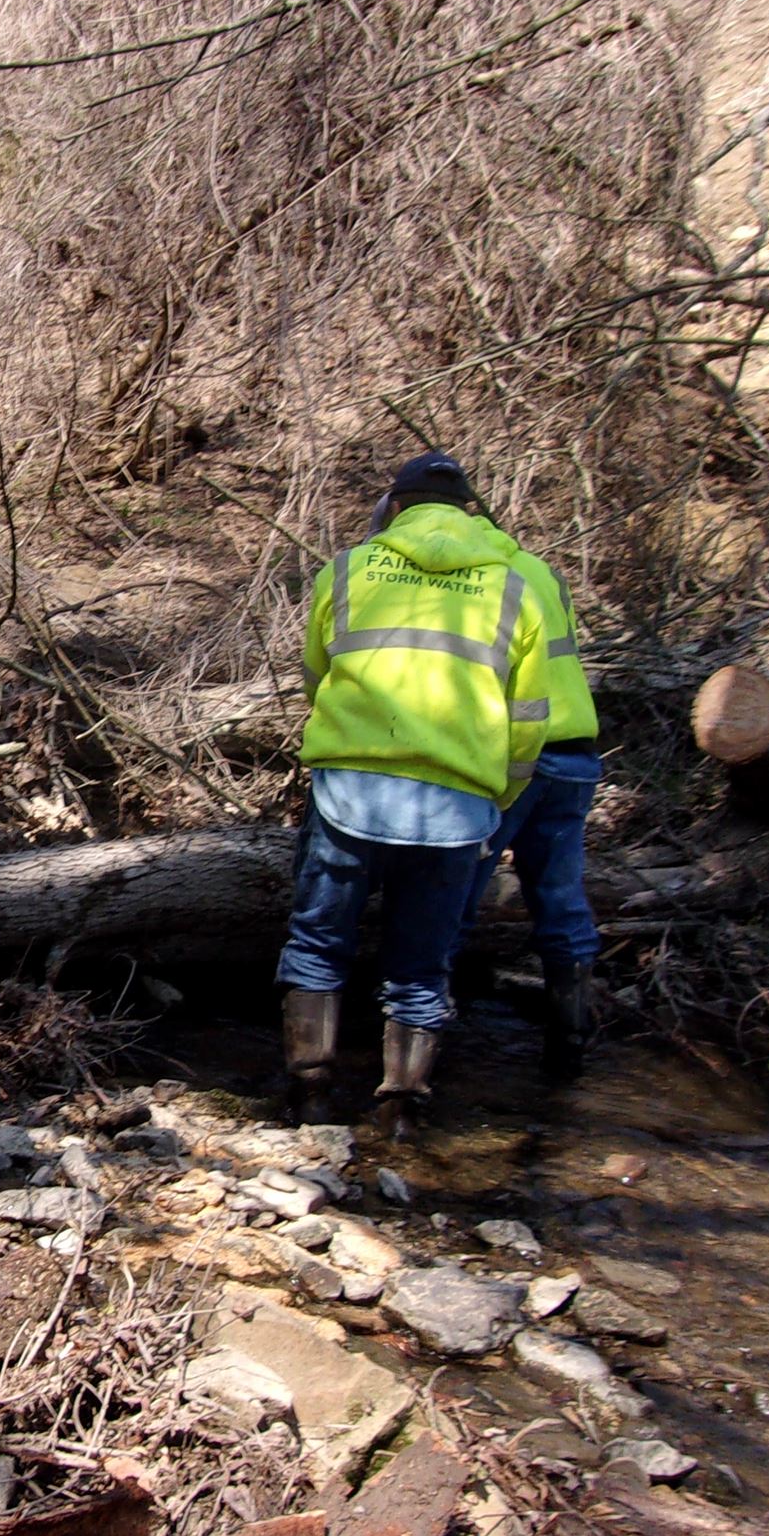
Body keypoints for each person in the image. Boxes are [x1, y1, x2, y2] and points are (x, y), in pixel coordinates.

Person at [279, 451, 553, 1127]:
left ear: (393, 507)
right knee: (422, 969)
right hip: (457, 805)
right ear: (470, 513)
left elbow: (316, 677)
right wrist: (500, 800)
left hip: (350, 791)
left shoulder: (347, 570)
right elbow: (528, 721)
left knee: (318, 944)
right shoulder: (515, 588)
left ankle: (311, 1093)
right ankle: (400, 1110)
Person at [461, 535, 601, 1072]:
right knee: (560, 896)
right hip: (575, 751)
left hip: (515, 752)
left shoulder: (476, 576)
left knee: (455, 892)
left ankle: (429, 1039)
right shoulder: (543, 571)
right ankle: (570, 1042)